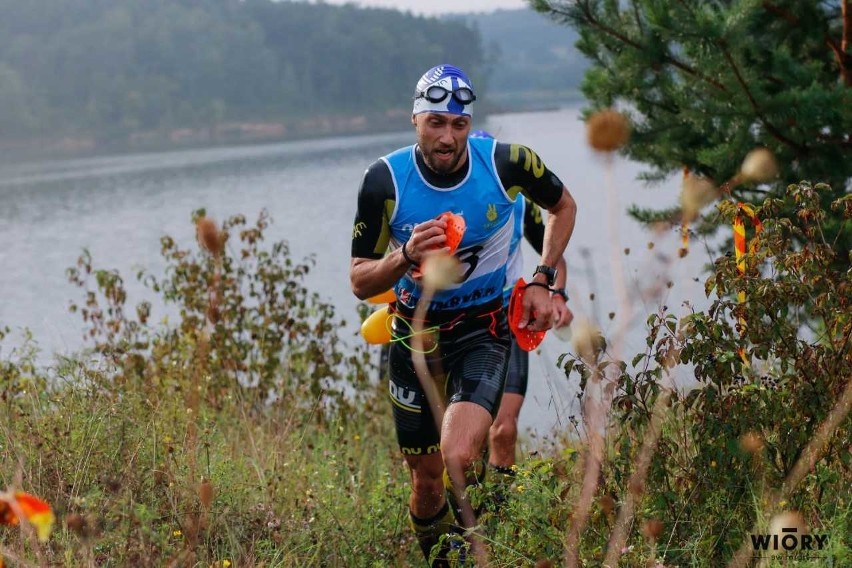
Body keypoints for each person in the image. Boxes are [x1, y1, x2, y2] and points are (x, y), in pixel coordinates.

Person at [349, 64, 577, 566]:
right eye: (435, 122)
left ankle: (483, 544)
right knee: (426, 482)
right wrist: (404, 255)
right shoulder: (383, 180)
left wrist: (544, 281)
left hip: (484, 327)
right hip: (415, 333)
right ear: (415, 120)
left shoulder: (506, 163)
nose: (447, 136)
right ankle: (440, 557)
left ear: (469, 126)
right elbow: (360, 279)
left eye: (458, 124)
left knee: (459, 456)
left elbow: (564, 207)